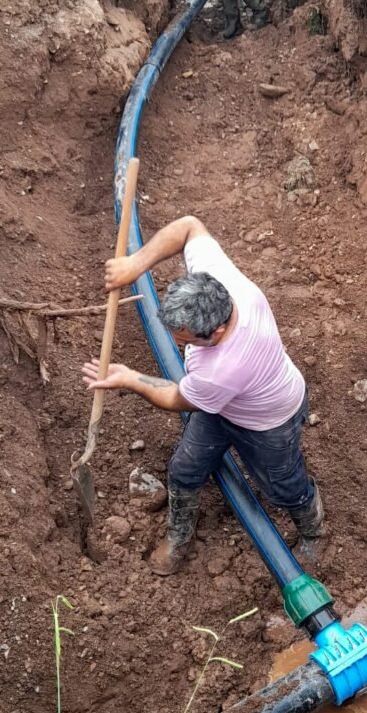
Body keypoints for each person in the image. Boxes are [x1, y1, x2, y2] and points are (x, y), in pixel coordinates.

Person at [82, 215, 325, 576]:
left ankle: (312, 530)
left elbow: (177, 400)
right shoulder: (223, 284)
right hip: (224, 405)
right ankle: (179, 536)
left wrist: (131, 378)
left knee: (282, 487)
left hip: (270, 420)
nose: (174, 342)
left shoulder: (223, 369)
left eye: (183, 339)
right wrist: (135, 264)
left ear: (217, 331)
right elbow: (189, 226)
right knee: (184, 469)